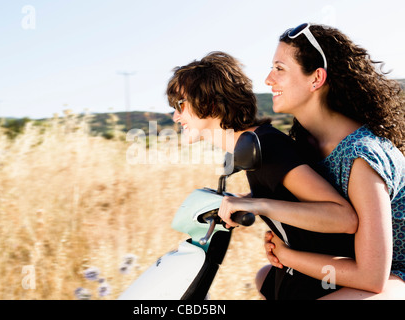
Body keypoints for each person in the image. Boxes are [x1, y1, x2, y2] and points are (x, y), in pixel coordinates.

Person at [166, 51, 359, 300]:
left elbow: (344, 218)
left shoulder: (267, 147)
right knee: (262, 279)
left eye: (181, 105)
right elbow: (287, 193)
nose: (175, 116)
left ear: (211, 103)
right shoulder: (250, 147)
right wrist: (244, 200)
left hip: (326, 281)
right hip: (300, 271)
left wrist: (258, 205)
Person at [260, 23, 405, 299]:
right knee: (265, 279)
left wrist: (288, 255)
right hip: (360, 269)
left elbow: (372, 277)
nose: (268, 79)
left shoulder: (361, 155)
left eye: (279, 68)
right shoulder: (308, 145)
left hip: (395, 276)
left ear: (316, 78)